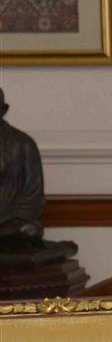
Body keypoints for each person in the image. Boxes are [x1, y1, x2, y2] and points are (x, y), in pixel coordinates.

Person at [0, 89, 46, 243]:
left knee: (30, 230)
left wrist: (9, 217)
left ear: (4, 109)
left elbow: (33, 196)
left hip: (8, 222)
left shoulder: (23, 144)